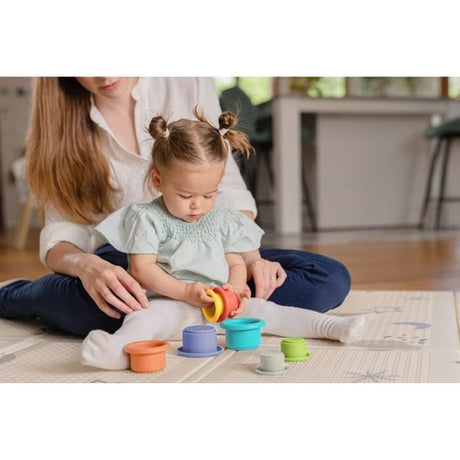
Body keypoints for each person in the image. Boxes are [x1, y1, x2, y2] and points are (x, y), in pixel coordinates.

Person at [0, 77, 351, 338]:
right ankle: (19, 294)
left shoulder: (185, 77)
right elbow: (64, 233)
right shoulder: (62, 126)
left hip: (208, 255)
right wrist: (88, 267)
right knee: (93, 308)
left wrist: (250, 263)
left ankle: (180, 313)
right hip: (129, 264)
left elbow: (227, 191)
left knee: (328, 279)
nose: (105, 74)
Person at [80, 110, 365, 370]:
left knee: (271, 312)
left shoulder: (221, 219)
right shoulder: (147, 218)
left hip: (221, 307)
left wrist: (236, 290)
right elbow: (142, 268)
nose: (198, 205)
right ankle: (116, 351)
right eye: (186, 195)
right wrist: (186, 292)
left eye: (209, 194)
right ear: (158, 180)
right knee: (143, 320)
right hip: (170, 304)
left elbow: (235, 262)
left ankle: (331, 327)